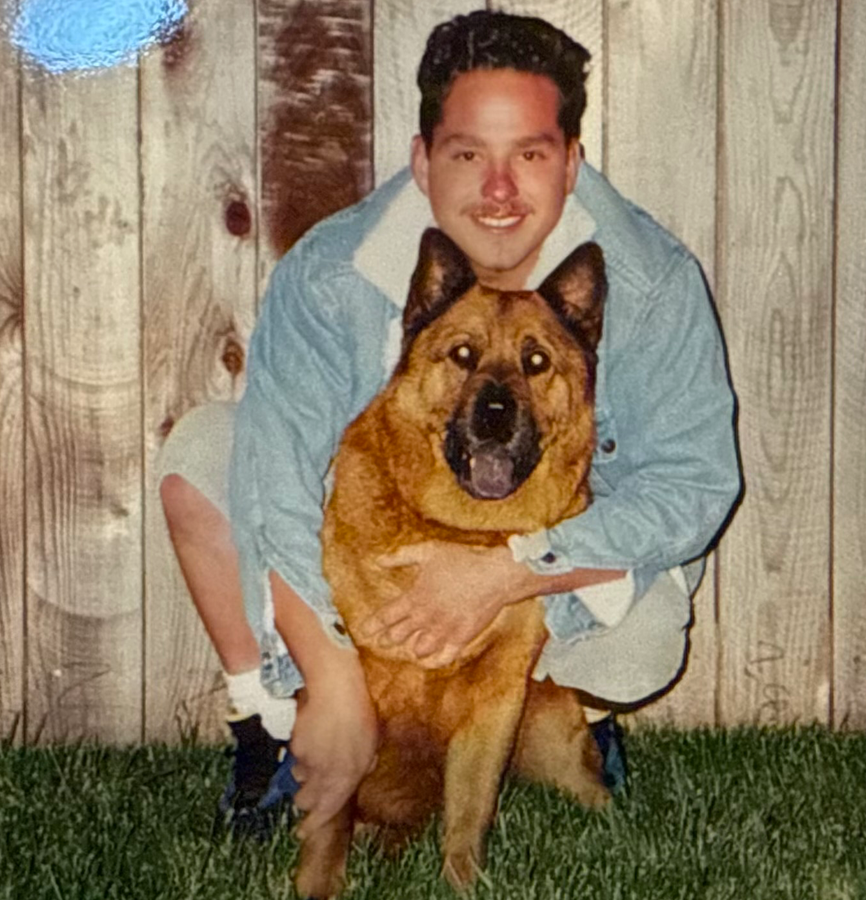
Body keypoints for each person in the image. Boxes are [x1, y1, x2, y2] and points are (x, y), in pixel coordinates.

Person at [158, 10, 741, 841]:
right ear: (423, 159)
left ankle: (562, 709)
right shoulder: (329, 274)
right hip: (377, 563)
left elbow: (697, 485)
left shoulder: (652, 282)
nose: (498, 191)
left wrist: (507, 573)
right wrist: (329, 673)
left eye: (529, 155)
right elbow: (274, 477)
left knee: (642, 636)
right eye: (468, 155)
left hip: (545, 566)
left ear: (571, 162)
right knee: (204, 453)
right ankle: (271, 731)